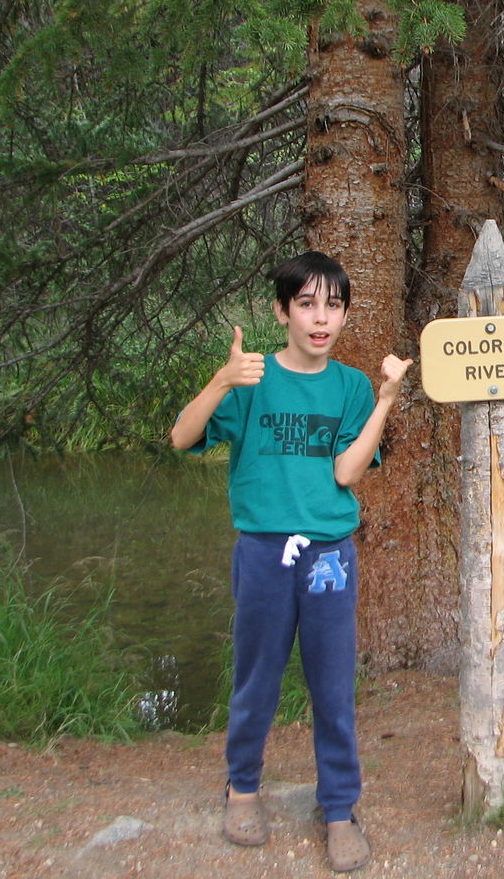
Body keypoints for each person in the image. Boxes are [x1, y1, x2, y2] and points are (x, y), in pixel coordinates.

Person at [170, 250, 412, 873]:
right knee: (258, 678)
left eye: (333, 304)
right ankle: (242, 789)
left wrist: (385, 399)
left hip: (330, 554)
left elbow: (346, 471)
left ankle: (337, 809)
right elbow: (180, 437)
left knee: (333, 687)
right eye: (306, 304)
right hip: (262, 552)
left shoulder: (352, 386)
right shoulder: (252, 380)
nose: (320, 318)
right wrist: (222, 381)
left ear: (345, 313)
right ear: (282, 311)